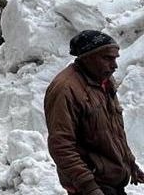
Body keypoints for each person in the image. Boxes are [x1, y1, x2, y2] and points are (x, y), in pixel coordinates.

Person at [45, 31, 144, 195]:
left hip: (111, 181)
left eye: (115, 58)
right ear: (87, 57)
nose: (115, 65)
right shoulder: (65, 89)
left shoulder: (104, 82)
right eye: (107, 58)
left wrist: (130, 163)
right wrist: (89, 186)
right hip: (91, 185)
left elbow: (114, 131)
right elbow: (61, 145)